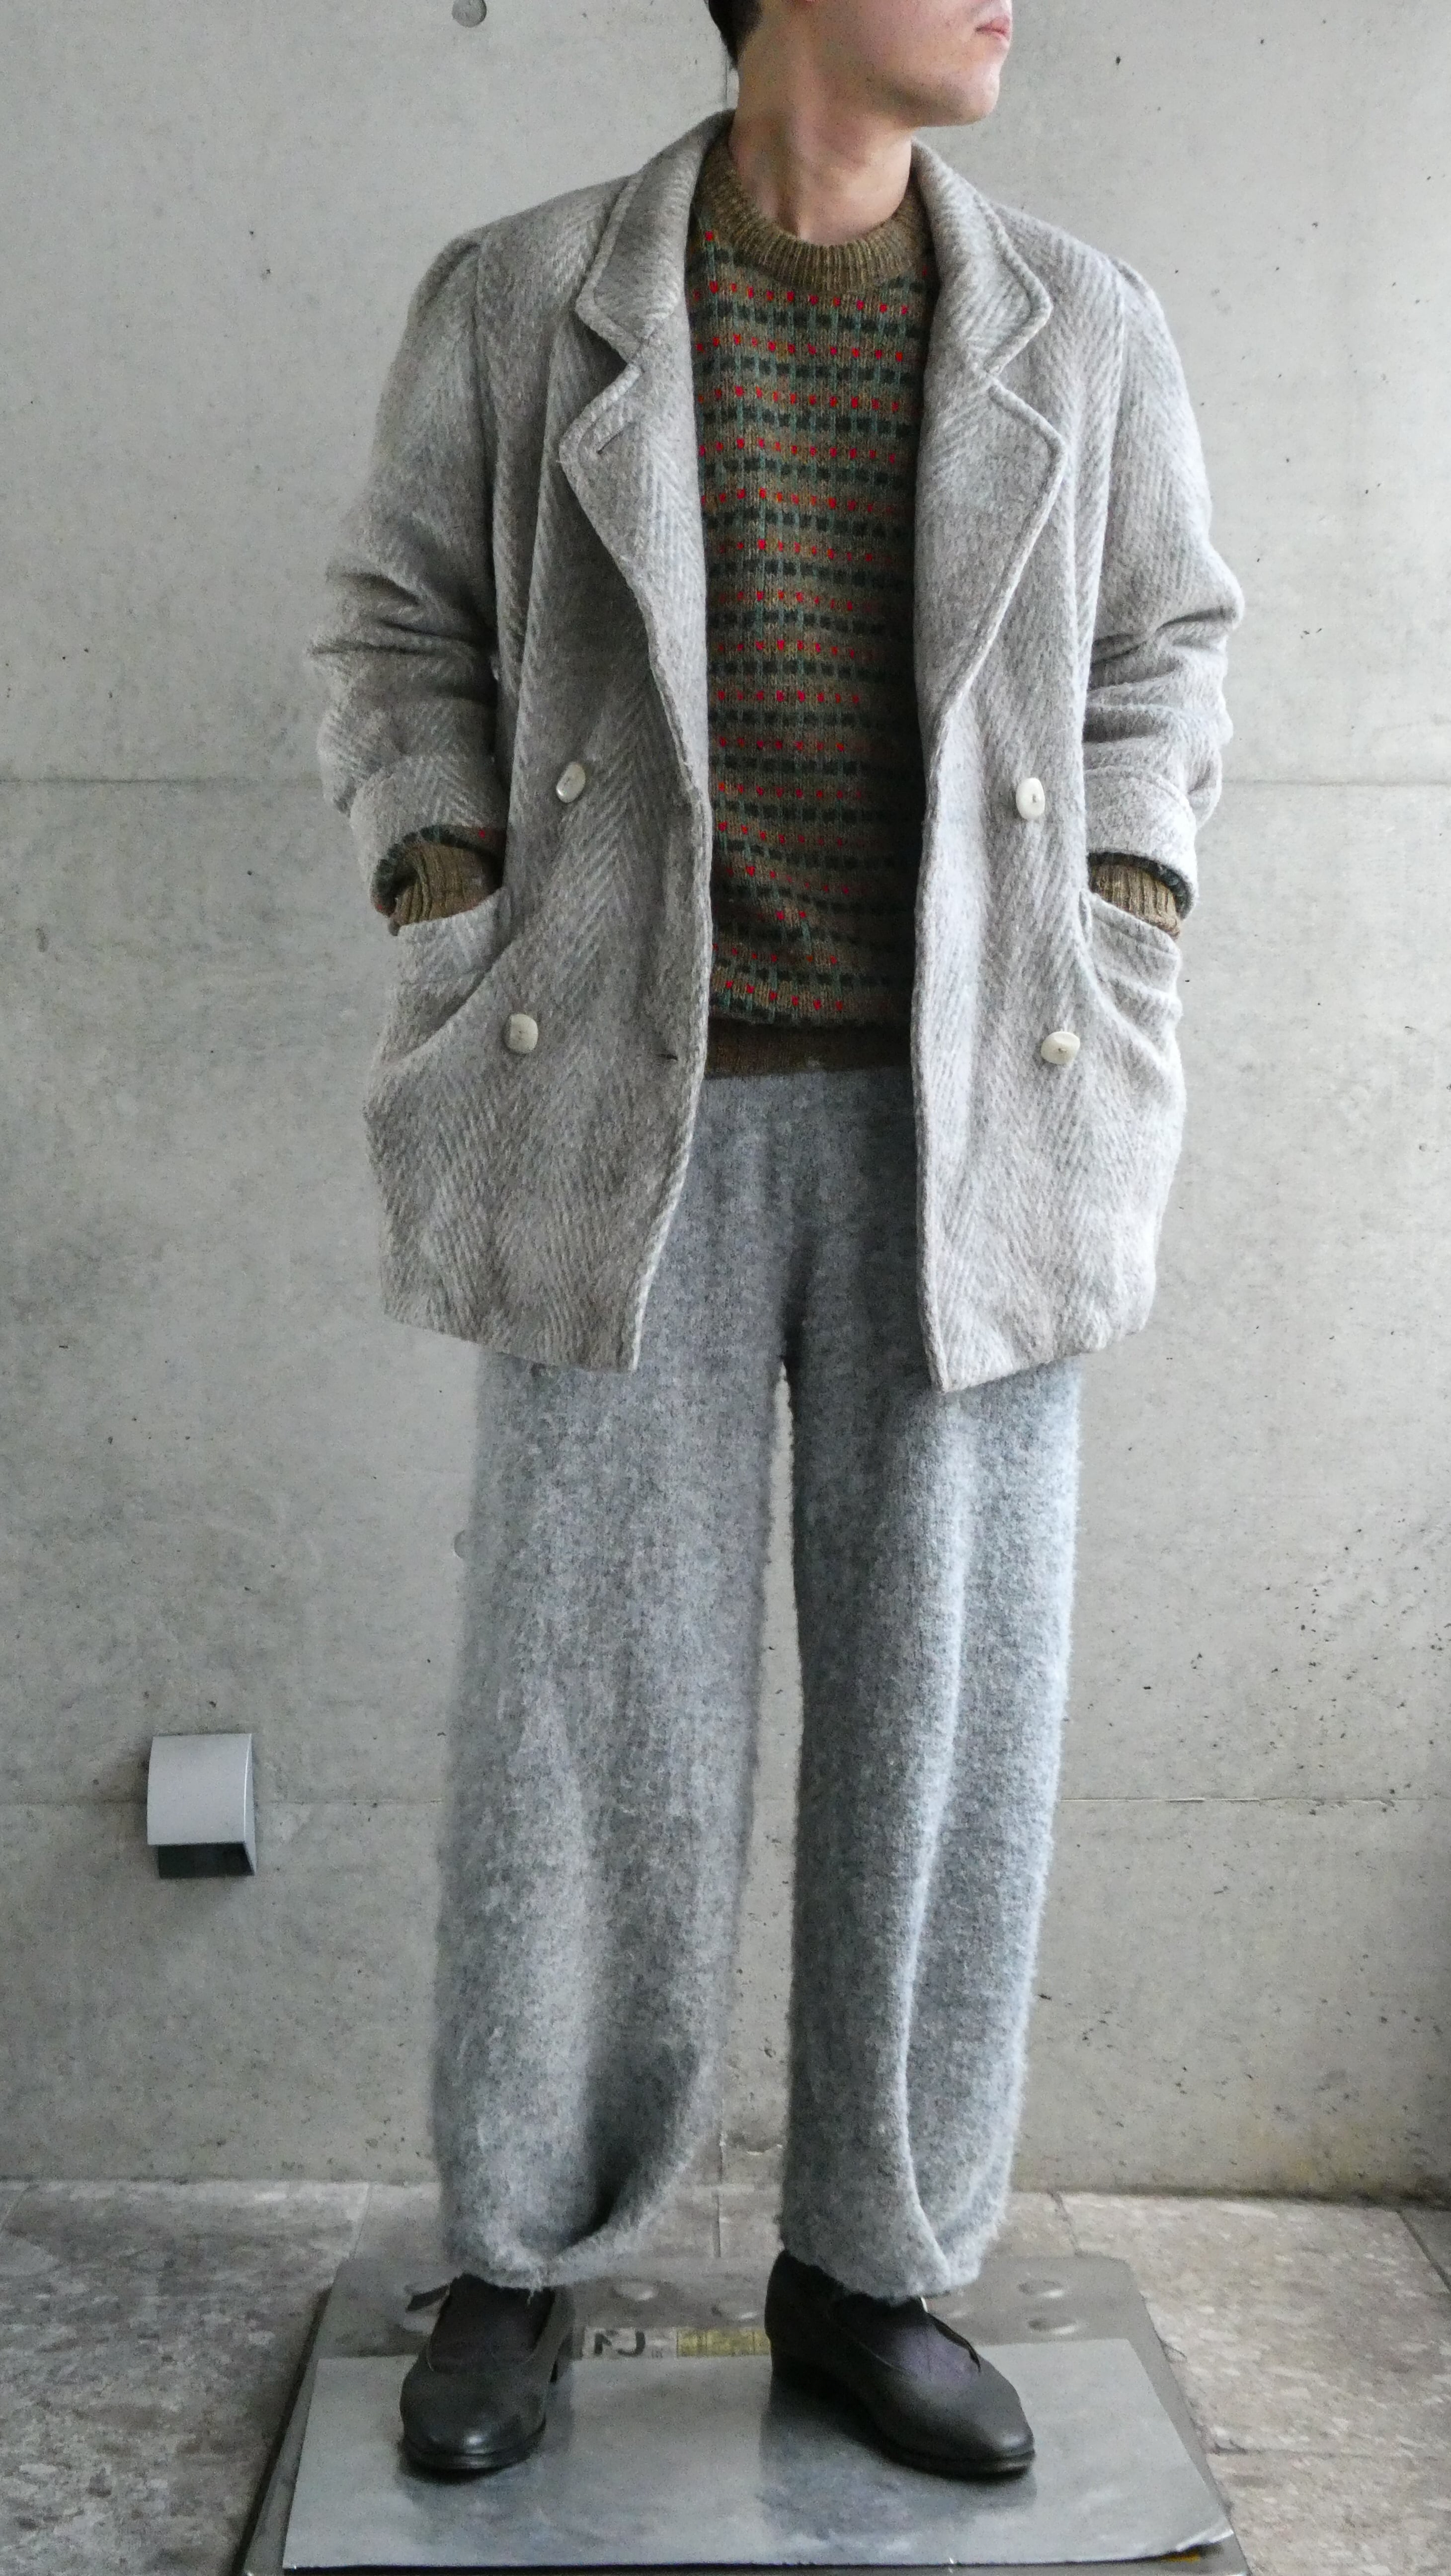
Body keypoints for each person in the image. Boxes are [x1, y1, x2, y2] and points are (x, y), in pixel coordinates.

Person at [310, 0, 1242, 2485]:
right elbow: (397, 619)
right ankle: (520, 2250)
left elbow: (1164, 645)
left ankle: (871, 2267)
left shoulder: (1082, 322)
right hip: (625, 1100)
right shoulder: (525, 299)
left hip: (975, 1116)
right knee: (579, 1716)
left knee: (947, 1725)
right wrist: (447, 882)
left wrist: (1127, 894)